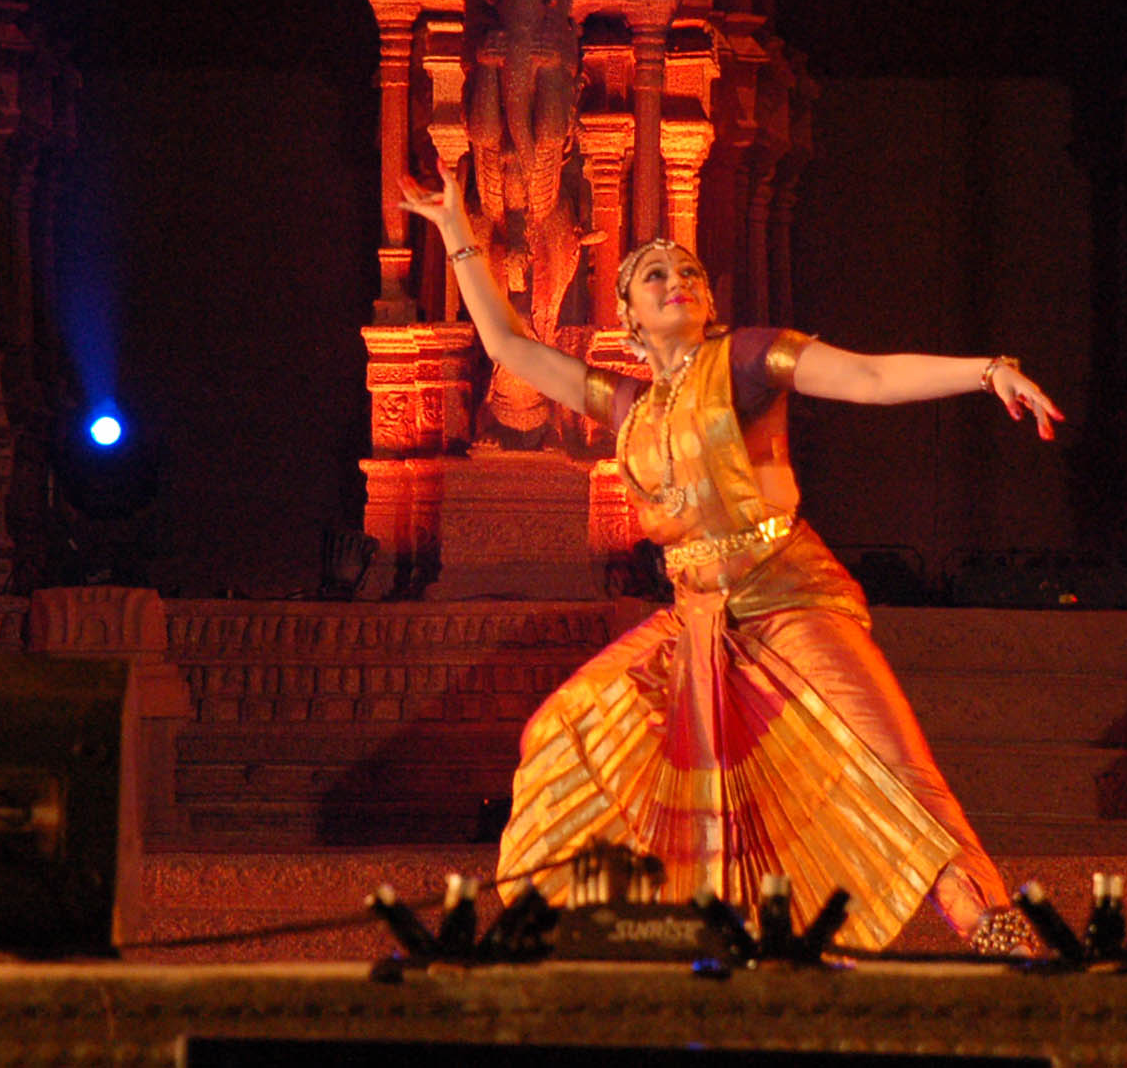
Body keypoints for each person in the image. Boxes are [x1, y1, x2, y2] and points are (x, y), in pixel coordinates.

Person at [400, 172, 1064, 952]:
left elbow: (869, 377)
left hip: (789, 601)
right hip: (696, 625)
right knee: (565, 726)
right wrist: (455, 229)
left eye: (689, 272)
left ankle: (997, 929)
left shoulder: (745, 360)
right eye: (655, 275)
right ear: (628, 314)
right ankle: (597, 932)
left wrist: (986, 370)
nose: (676, 280)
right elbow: (509, 346)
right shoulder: (629, 407)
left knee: (896, 768)